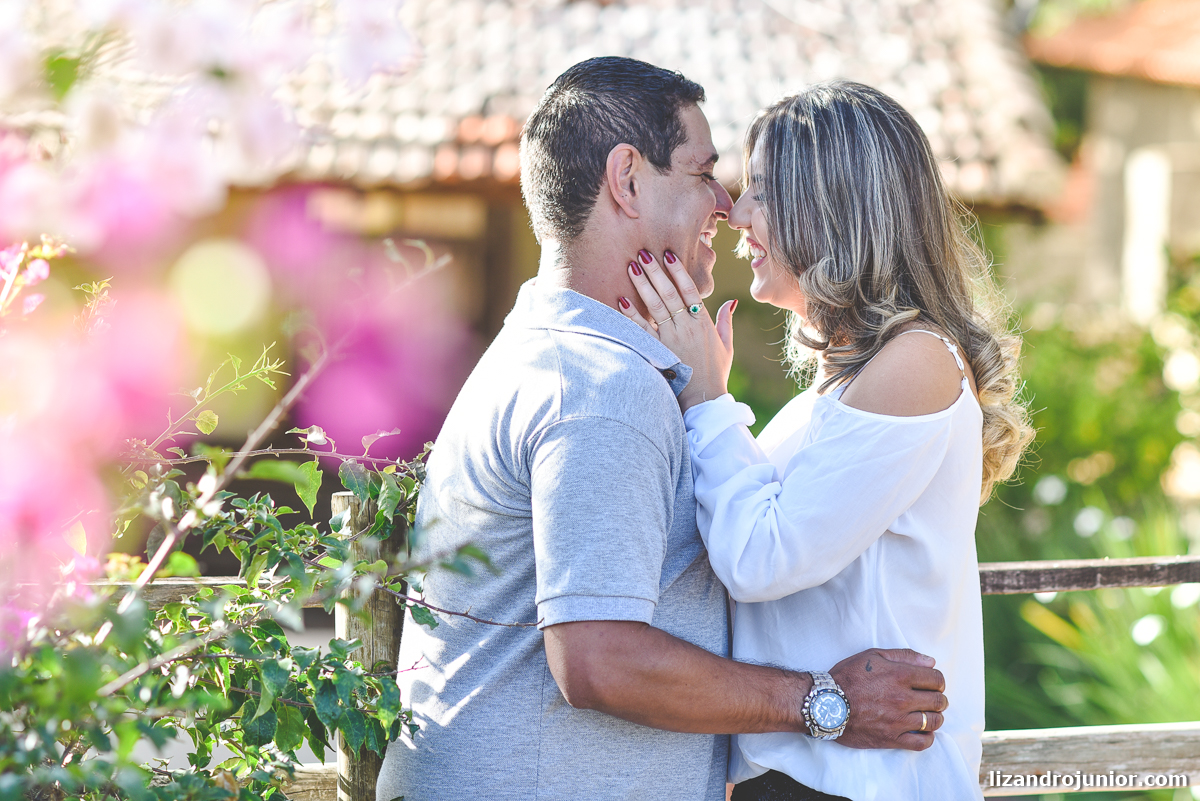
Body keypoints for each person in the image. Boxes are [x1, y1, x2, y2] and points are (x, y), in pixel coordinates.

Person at [376, 60, 949, 801]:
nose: (726, 205)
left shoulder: (552, 352)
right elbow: (599, 659)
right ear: (628, 180)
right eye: (704, 173)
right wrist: (821, 700)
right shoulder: (601, 388)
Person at [616, 81, 1035, 801]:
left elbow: (759, 559)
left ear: (834, 204)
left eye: (763, 190)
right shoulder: (843, 384)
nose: (736, 212)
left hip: (866, 782)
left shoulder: (916, 362)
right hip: (813, 771)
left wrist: (709, 400)